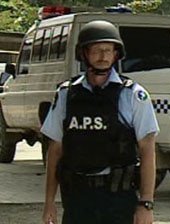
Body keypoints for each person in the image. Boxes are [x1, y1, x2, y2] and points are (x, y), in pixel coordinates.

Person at [41, 20, 159, 224]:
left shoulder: (132, 95)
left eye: (108, 50)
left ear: (116, 54)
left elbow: (147, 150)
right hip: (77, 198)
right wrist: (49, 202)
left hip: (118, 199)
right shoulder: (67, 94)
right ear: (84, 54)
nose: (103, 56)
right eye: (96, 50)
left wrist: (146, 203)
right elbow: (55, 150)